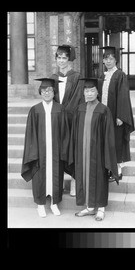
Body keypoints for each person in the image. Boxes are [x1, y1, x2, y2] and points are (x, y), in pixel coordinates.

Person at [68, 78, 119, 221]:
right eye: (86, 91)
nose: (89, 93)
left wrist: (106, 153)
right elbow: (74, 132)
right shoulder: (79, 108)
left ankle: (101, 208)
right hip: (82, 152)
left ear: (97, 92)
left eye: (92, 91)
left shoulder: (103, 110)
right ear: (83, 93)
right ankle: (90, 207)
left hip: (98, 152)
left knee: (99, 178)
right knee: (84, 177)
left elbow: (109, 135)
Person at [21, 78, 70, 218]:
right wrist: (33, 151)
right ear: (40, 92)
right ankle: (40, 205)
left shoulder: (60, 109)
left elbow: (65, 132)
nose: (46, 93)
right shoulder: (35, 110)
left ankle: (54, 203)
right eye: (44, 91)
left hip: (55, 151)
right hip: (40, 152)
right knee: (39, 176)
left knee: (56, 175)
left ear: (54, 92)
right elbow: (30, 134)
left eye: (49, 90)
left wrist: (64, 149)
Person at [50, 44, 84, 196]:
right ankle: (59, 183)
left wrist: (65, 113)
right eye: (59, 58)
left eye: (64, 58)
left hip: (71, 120)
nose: (62, 61)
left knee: (72, 150)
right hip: (56, 120)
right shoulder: (53, 78)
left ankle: (74, 183)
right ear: (56, 59)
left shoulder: (76, 76)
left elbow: (77, 97)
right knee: (58, 150)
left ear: (69, 59)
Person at [98, 46, 135, 180]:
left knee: (117, 142)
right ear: (103, 61)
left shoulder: (120, 75)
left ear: (116, 60)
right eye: (106, 59)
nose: (108, 61)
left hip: (115, 116)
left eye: (111, 59)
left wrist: (120, 115)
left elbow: (123, 96)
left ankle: (118, 171)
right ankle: (108, 168)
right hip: (104, 115)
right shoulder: (103, 75)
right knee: (107, 141)